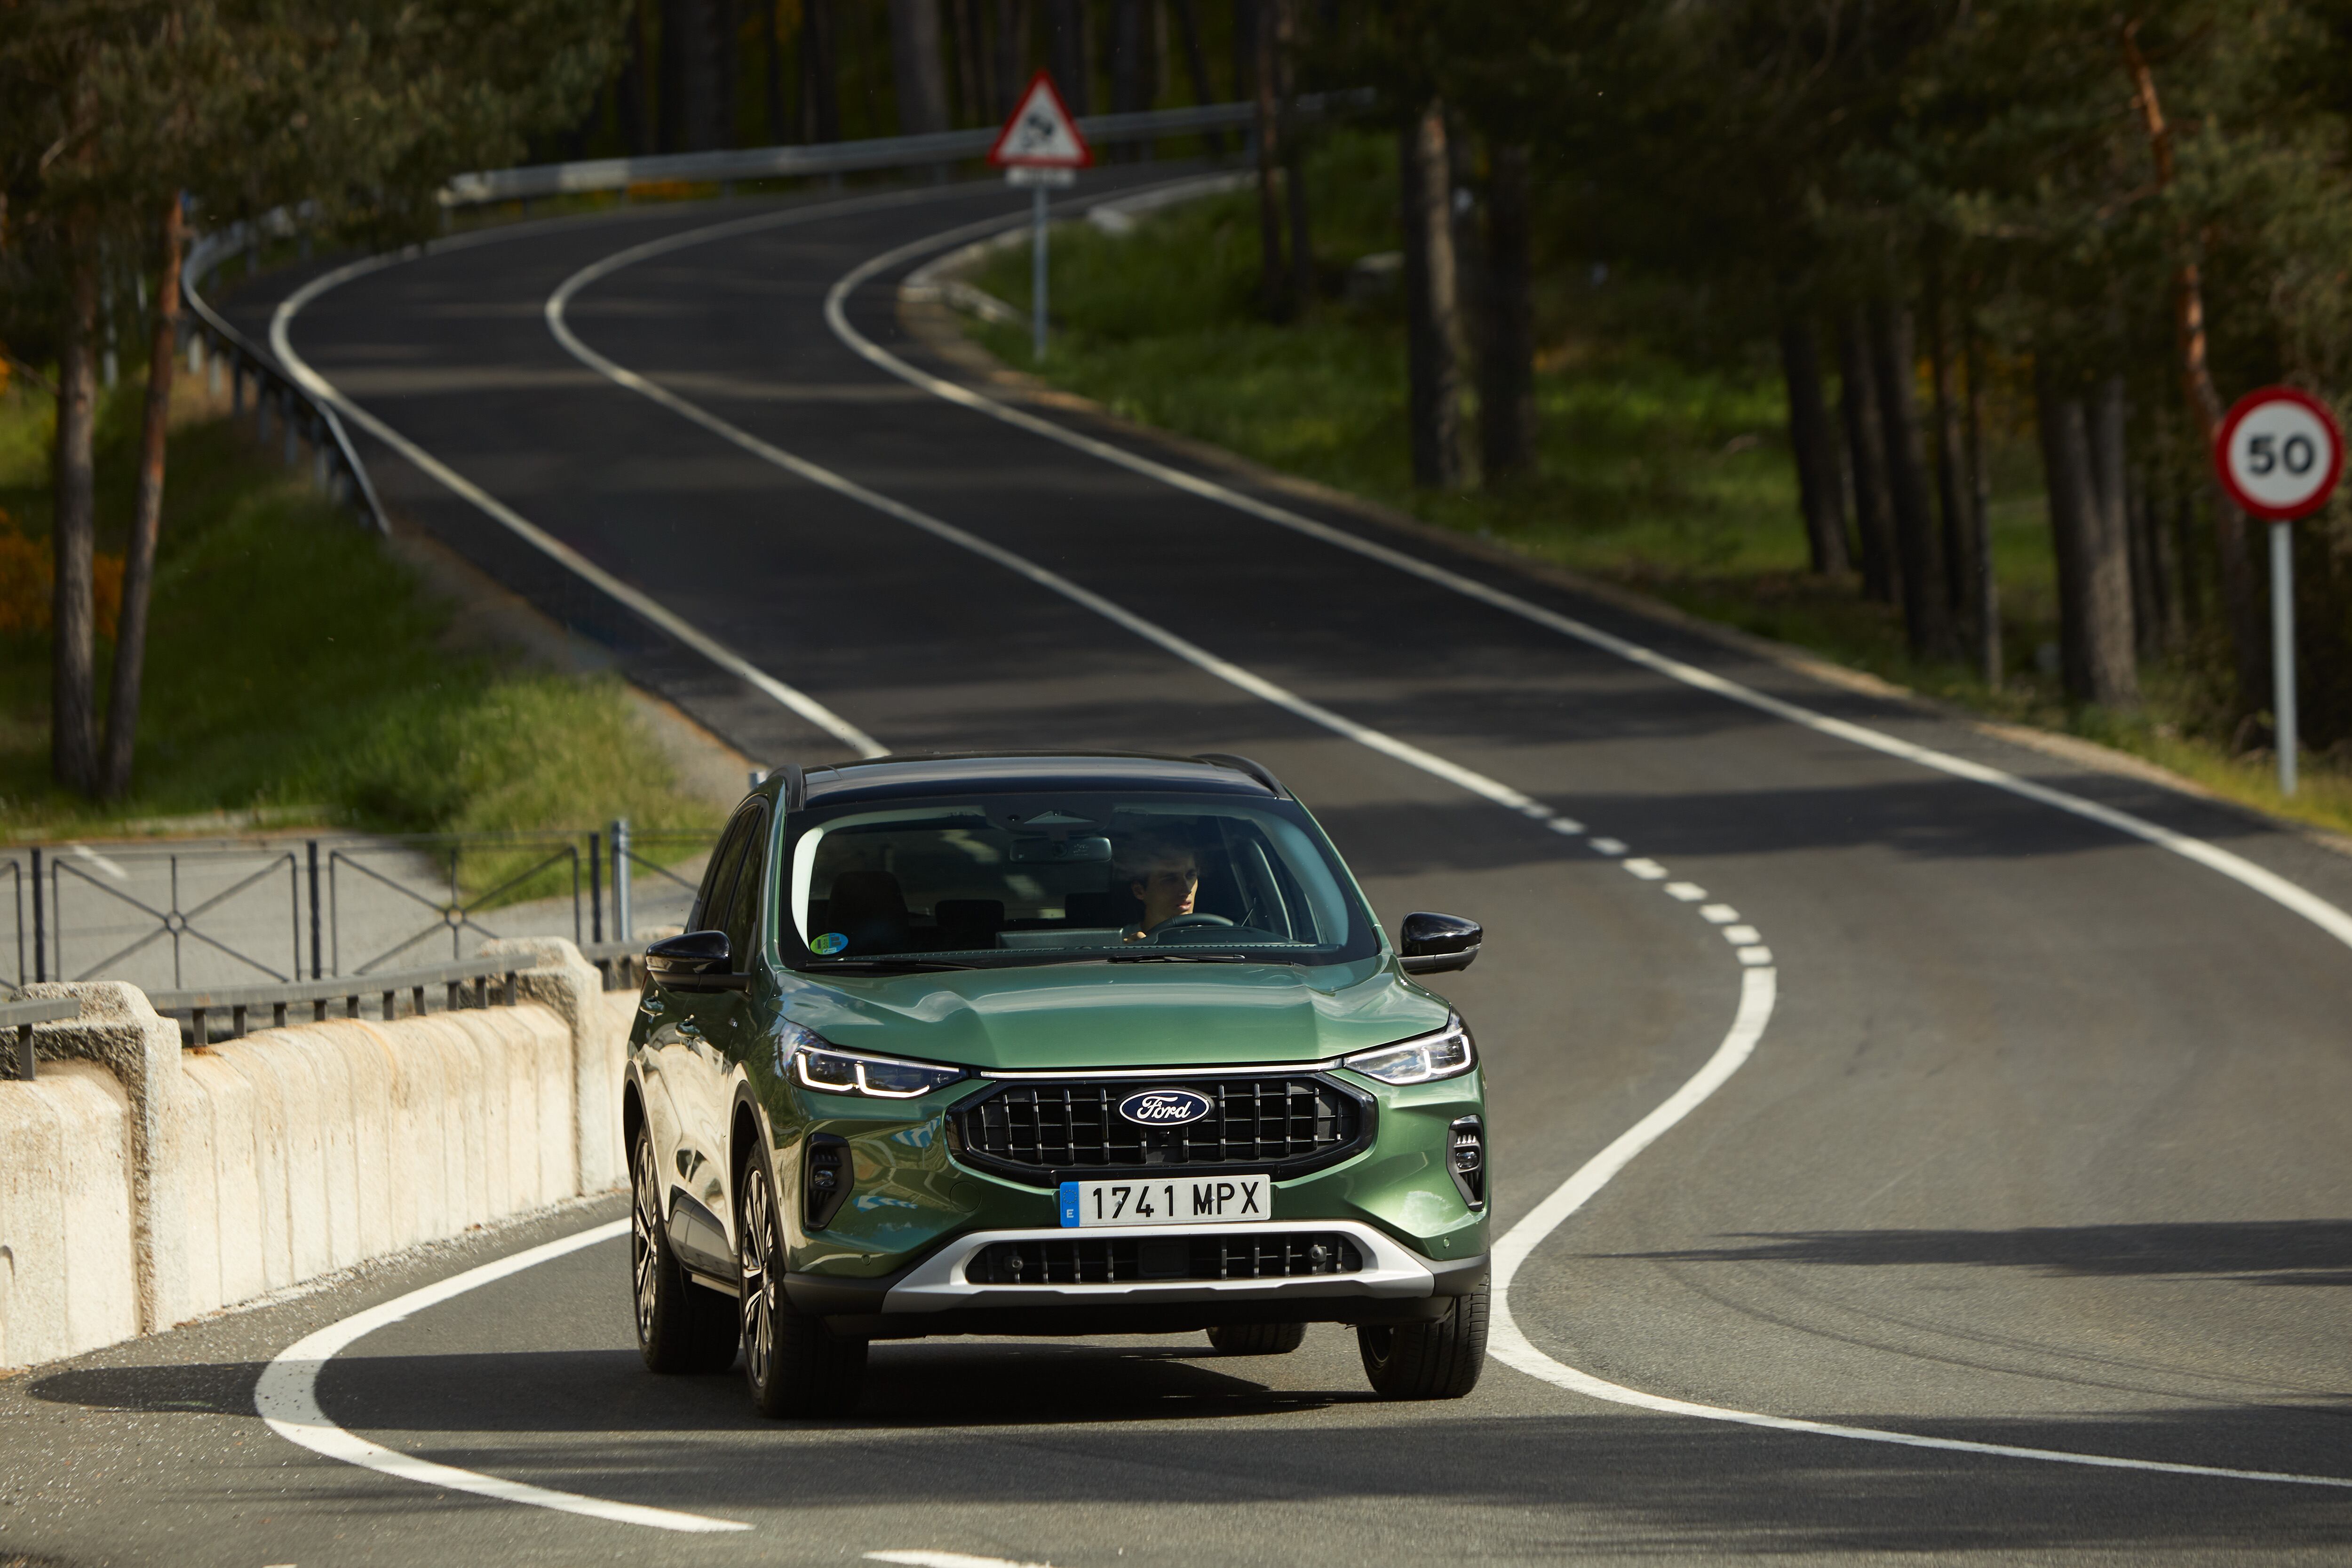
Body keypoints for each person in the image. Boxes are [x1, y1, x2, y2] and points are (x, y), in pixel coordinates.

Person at [1116, 833, 1203, 938]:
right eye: (1171, 879)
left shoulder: (1214, 942)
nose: (1187, 890)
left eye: (1190, 875)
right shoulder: (1116, 944)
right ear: (1139, 891)